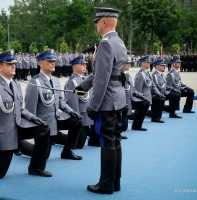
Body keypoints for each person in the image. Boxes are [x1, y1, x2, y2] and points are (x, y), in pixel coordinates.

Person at [0, 50, 52, 178]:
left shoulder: (15, 84)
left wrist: (34, 118)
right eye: (9, 64)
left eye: (14, 64)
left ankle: (36, 168)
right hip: (4, 135)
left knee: (44, 129)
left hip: (18, 127)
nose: (13, 66)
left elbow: (20, 109)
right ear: (0, 67)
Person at [76, 7, 126, 194]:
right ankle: (115, 182)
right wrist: (83, 86)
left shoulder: (105, 44)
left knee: (106, 141)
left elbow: (103, 79)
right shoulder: (118, 42)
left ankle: (106, 184)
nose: (96, 25)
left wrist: (93, 105)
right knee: (115, 140)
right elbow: (107, 74)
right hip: (118, 99)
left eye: (97, 21)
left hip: (107, 101)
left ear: (104, 22)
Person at [19, 49, 83, 160]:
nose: (53, 63)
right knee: (43, 155)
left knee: (76, 121)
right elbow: (30, 108)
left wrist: (71, 111)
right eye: (49, 61)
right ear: (40, 63)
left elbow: (60, 102)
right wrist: (35, 129)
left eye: (53, 60)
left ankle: (67, 151)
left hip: (56, 119)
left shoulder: (55, 80)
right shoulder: (35, 82)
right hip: (44, 123)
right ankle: (19, 145)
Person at [64, 55, 100, 148]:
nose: (85, 66)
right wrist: (76, 117)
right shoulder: (73, 81)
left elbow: (91, 95)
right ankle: (57, 138)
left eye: (85, 64)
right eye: (82, 64)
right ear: (75, 67)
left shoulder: (85, 79)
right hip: (82, 115)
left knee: (95, 137)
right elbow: (71, 101)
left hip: (89, 113)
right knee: (79, 144)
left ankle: (92, 139)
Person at [131, 56, 152, 131]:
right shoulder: (140, 74)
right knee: (141, 109)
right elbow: (137, 89)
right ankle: (136, 125)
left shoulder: (146, 73)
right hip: (141, 98)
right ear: (143, 63)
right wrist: (141, 99)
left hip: (146, 98)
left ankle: (137, 124)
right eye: (148, 62)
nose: (149, 64)